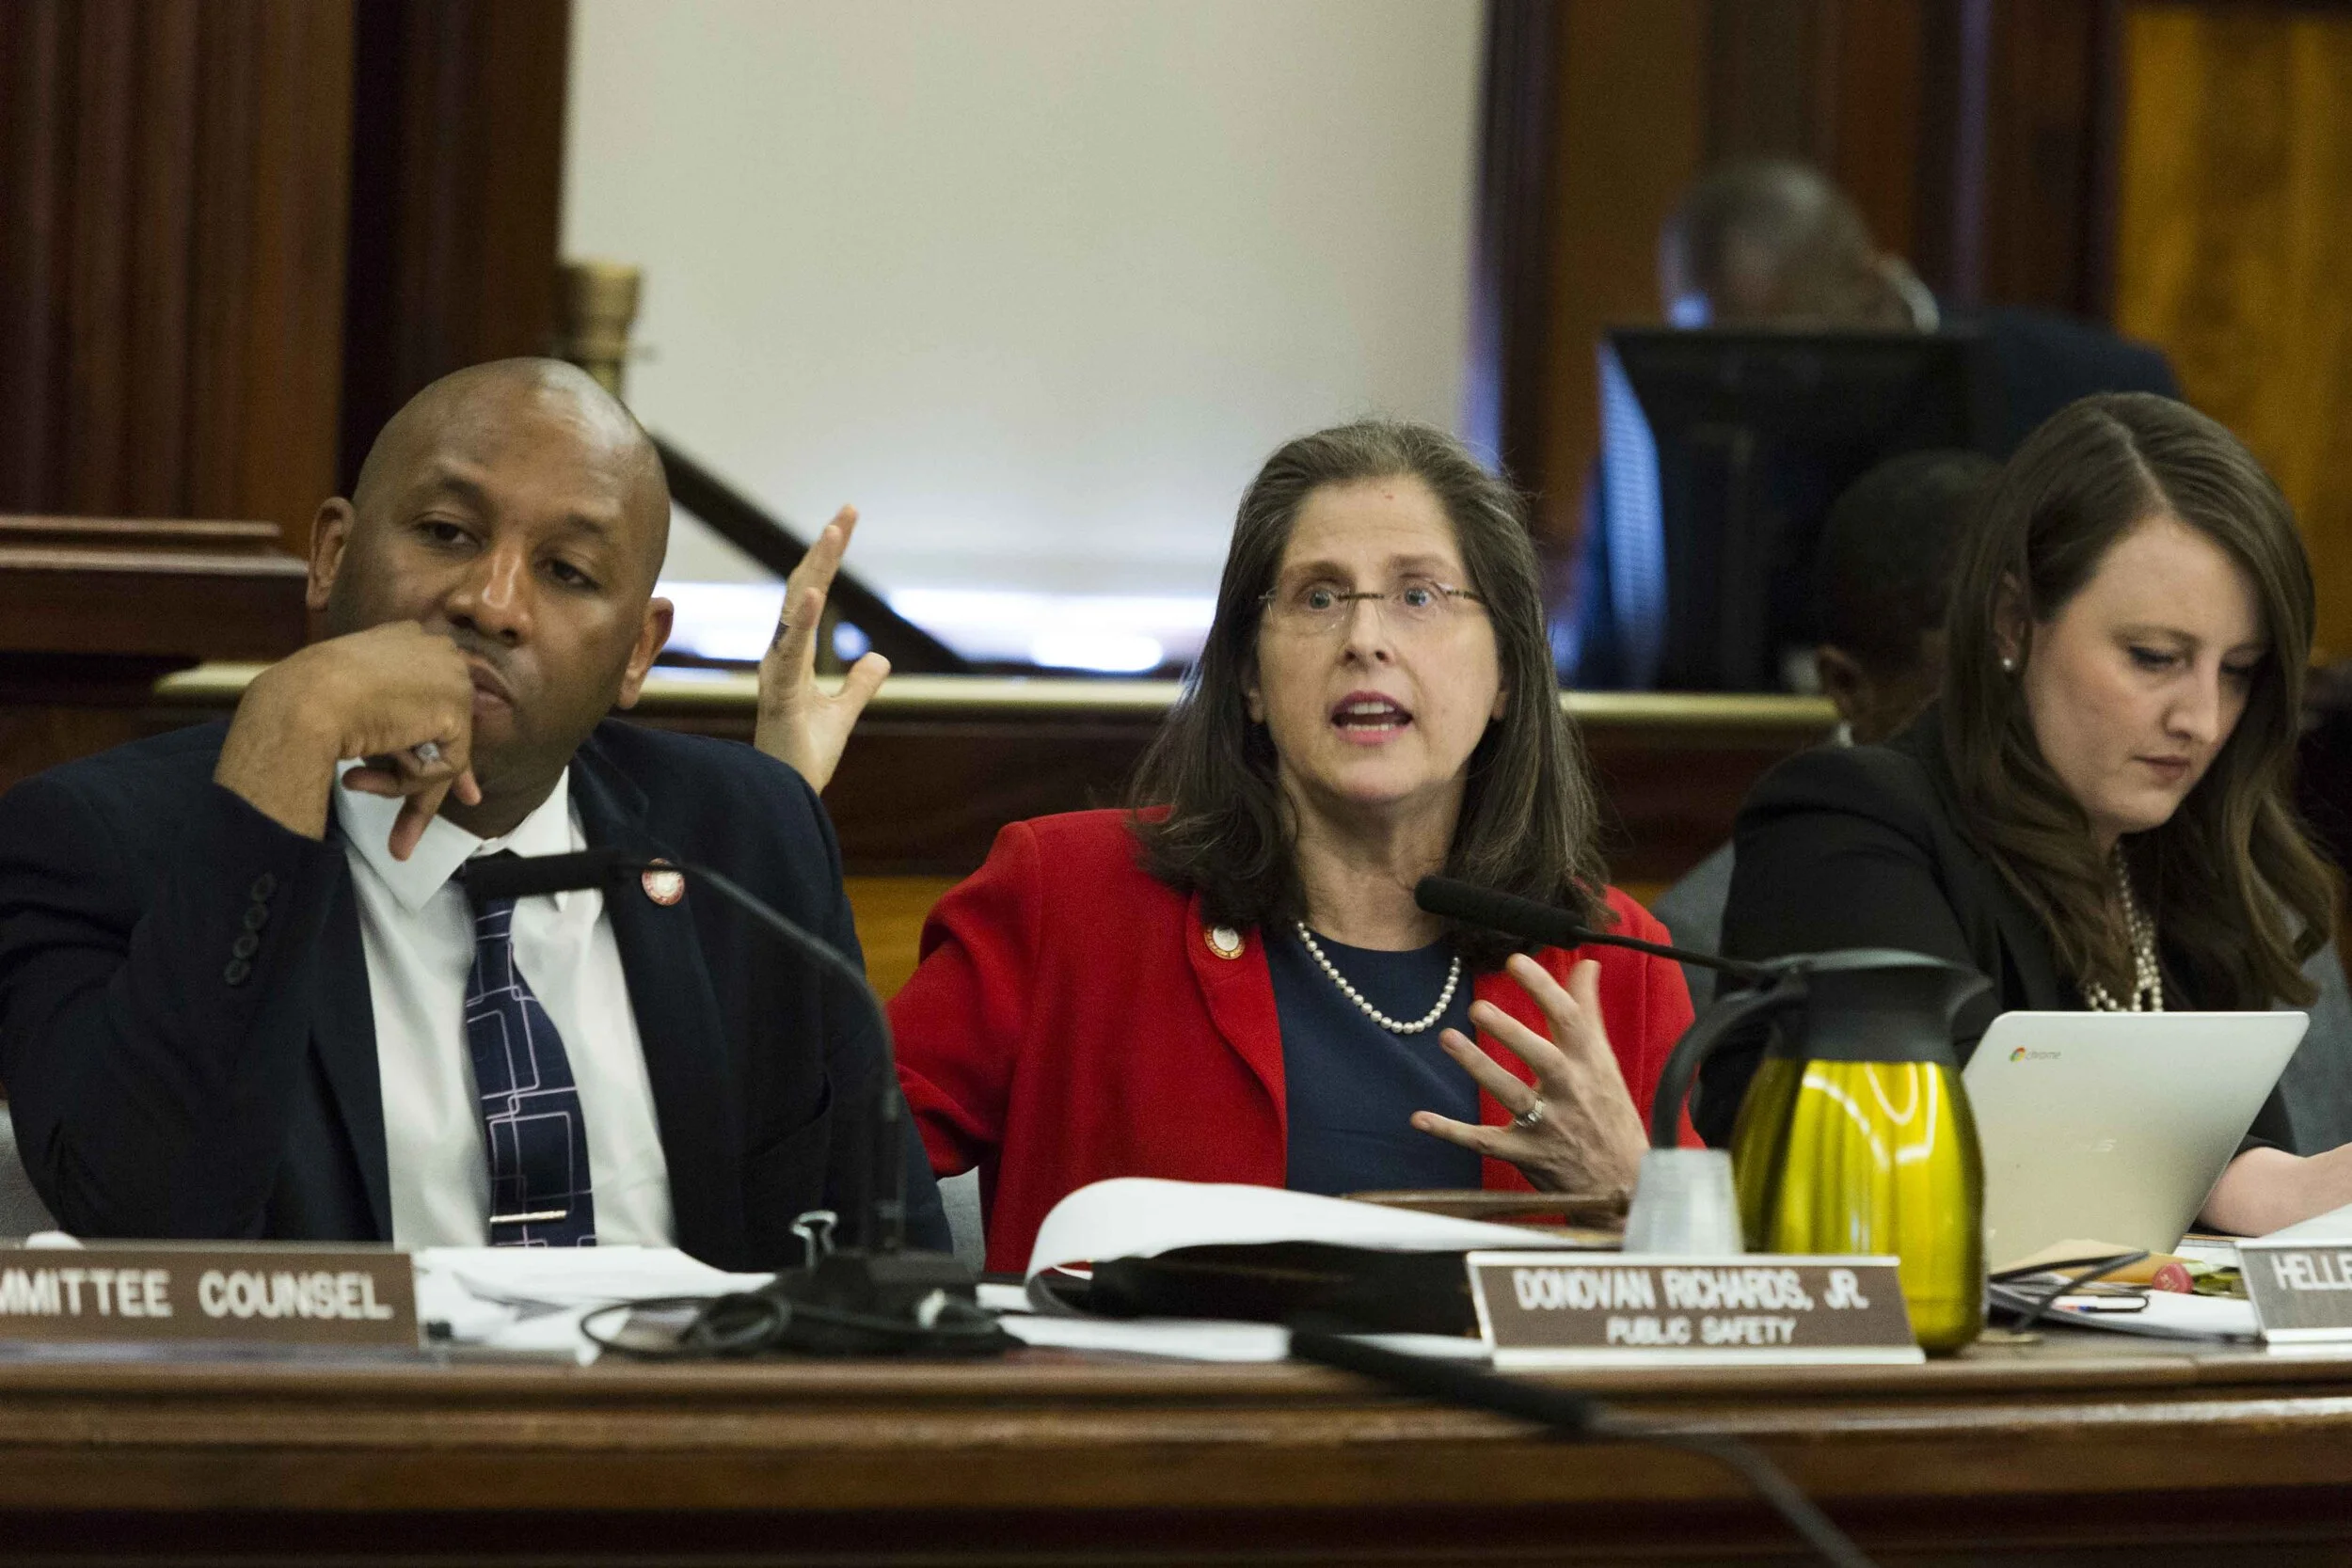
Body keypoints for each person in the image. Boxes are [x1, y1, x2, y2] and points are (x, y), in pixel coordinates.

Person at [0, 358, 945, 1264]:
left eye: (567, 571)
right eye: (447, 532)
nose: (493, 605)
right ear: (332, 555)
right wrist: (289, 726)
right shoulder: (96, 845)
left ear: (637, 651)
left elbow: (895, 1272)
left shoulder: (746, 843)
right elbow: (149, 1223)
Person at [882, 420, 1695, 1273]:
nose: (1365, 639)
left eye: (1419, 595)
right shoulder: (1068, 900)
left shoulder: (1614, 966)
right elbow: (834, 1164)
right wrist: (793, 822)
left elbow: (1712, 1322)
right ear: (1250, 679)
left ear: (1507, 675)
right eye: (1319, 597)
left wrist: (1632, 1193)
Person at [1712, 392, 2352, 1235]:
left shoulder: (2185, 865)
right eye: (2154, 657)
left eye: (2237, 670)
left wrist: (2286, 1184)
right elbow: (1930, 1141)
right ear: (2014, 622)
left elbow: (2256, 1199)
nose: (2201, 718)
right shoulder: (1846, 820)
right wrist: (2242, 1183)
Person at [1563, 157, 2181, 689]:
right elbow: (1605, 685)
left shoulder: (2093, 389)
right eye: (1708, 350)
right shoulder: (1657, 443)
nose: (1740, 386)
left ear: (1868, 287)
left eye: (1778, 352)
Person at [1653, 449, 1999, 1010]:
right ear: (1847, 686)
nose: (2021, 702)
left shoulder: (2102, 880)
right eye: (1982, 672)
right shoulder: (1696, 947)